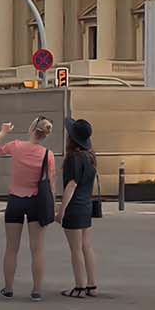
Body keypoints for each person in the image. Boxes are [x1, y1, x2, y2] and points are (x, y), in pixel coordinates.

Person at [0, 117, 59, 299]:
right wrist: (54, 205)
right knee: (37, 249)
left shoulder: (15, 146)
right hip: (36, 201)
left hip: (15, 201)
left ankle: (9, 287)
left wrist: (3, 132)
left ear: (31, 129)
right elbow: (51, 182)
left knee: (12, 247)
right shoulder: (47, 154)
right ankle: (36, 290)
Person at [58, 118, 102, 297]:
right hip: (86, 207)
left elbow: (71, 185)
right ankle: (92, 285)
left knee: (75, 249)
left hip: (74, 208)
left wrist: (61, 211)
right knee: (86, 246)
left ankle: (79, 286)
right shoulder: (90, 158)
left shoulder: (73, 159)